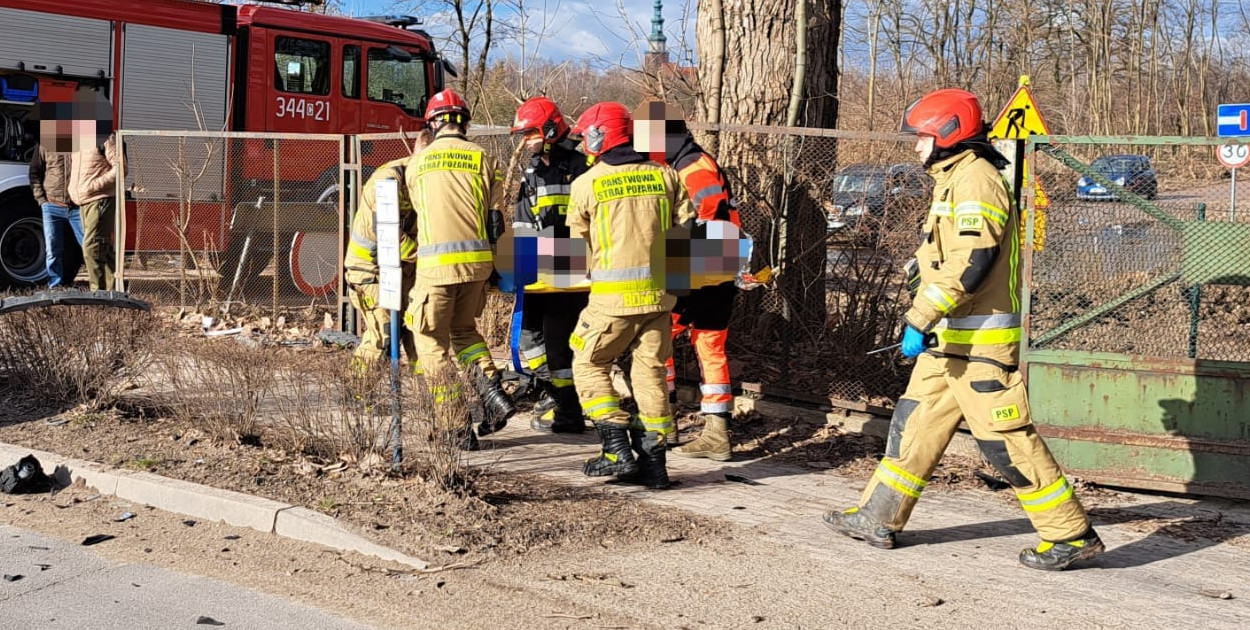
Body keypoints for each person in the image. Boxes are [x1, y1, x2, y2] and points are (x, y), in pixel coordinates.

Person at [822, 88, 1104, 571]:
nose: (916, 147)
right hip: (949, 340)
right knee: (915, 425)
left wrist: (918, 316)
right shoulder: (953, 180)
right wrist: (918, 277)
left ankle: (1071, 534)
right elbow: (947, 254)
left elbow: (974, 261)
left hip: (980, 345)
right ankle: (878, 515)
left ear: (948, 135)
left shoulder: (977, 180)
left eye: (922, 137)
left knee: (1005, 442)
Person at [566, 102, 694, 489]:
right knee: (650, 374)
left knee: (588, 362)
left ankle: (615, 448)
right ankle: (655, 467)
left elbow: (578, 247)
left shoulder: (587, 184)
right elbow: (685, 232)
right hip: (660, 299)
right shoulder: (666, 176)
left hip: (611, 301)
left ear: (598, 138)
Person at [404, 89, 515, 450]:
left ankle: (455, 427)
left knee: (431, 342)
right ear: (464, 122)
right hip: (478, 266)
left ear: (433, 124)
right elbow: (496, 219)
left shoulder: (418, 163)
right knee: (465, 332)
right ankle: (493, 393)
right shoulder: (483, 157)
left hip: (436, 269)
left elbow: (415, 215)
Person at [633, 100, 740, 462]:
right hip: (712, 266)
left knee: (656, 337)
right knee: (703, 345)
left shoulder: (692, 168)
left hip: (697, 266)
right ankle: (710, 428)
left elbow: (698, 220)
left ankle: (666, 421)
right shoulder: (688, 161)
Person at [509, 96, 591, 433]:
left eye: (530, 133)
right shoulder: (533, 169)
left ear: (549, 129)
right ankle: (551, 393)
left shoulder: (582, 163)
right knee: (528, 339)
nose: (525, 140)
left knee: (558, 344)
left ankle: (568, 411)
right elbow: (524, 220)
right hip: (540, 270)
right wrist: (520, 268)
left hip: (572, 272)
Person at [344, 131, 431, 372]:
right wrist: (428, 256)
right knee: (384, 335)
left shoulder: (428, 184)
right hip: (368, 270)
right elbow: (389, 238)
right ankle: (358, 393)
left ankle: (430, 395)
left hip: (403, 272)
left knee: (419, 334)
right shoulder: (387, 181)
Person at [67, 94, 118, 291]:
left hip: (100, 199)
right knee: (102, 247)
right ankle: (113, 292)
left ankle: (98, 293)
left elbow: (121, 169)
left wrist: (93, 186)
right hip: (83, 201)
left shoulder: (106, 137)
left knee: (90, 248)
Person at [30, 142, 83, 287]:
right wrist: (42, 200)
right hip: (52, 205)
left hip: (79, 206)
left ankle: (98, 287)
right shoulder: (44, 144)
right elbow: (35, 172)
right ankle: (55, 285)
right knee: (53, 249)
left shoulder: (83, 143)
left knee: (88, 247)